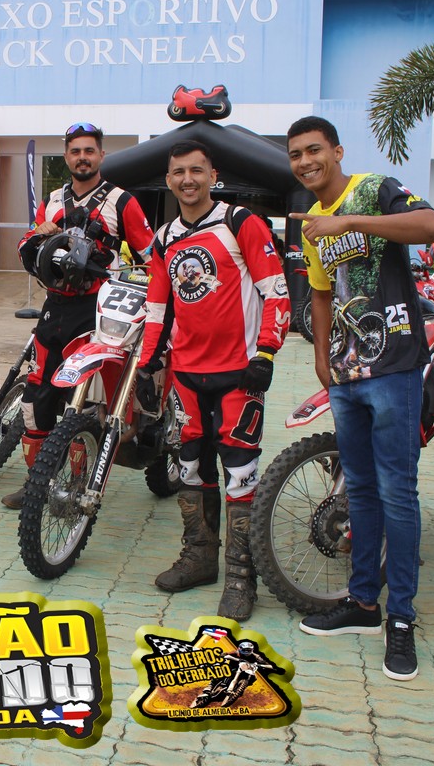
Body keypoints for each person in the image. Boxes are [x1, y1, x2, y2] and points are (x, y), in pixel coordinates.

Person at [286, 116, 434, 682]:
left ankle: (400, 618)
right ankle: (362, 603)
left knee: (397, 493)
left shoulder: (375, 188)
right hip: (347, 373)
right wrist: (321, 356)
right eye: (295, 155)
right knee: (359, 490)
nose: (305, 162)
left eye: (313, 150)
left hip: (396, 366)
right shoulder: (312, 224)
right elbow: (322, 293)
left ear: (336, 151)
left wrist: (351, 220)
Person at [136, 141, 290, 621]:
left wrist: (267, 352)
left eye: (196, 171)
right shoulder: (164, 238)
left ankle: (242, 577)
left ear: (213, 176)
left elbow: (276, 291)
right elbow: (158, 306)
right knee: (189, 467)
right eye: (179, 172)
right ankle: (199, 558)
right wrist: (147, 364)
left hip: (239, 373)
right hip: (185, 374)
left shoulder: (241, 222)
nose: (188, 179)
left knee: (240, 472)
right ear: (169, 180)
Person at [2, 122, 154, 509]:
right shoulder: (52, 200)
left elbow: (151, 258)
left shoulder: (122, 201)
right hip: (54, 309)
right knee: (35, 400)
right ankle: (37, 485)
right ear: (66, 156)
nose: (82, 157)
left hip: (98, 310)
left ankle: (74, 485)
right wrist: (39, 234)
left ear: (101, 155)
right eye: (75, 151)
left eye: (89, 150)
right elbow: (27, 247)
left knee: (82, 401)